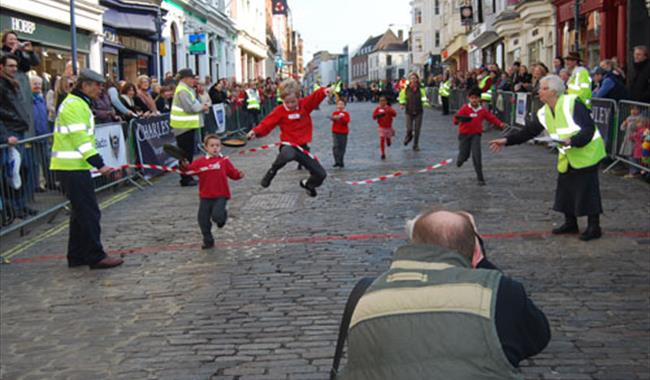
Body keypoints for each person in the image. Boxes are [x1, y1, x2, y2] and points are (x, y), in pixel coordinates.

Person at [337, 208, 550, 380]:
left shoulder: (366, 296)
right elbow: (538, 336)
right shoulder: (498, 293)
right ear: (475, 251)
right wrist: (483, 263)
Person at [489, 75, 606, 241]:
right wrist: (506, 141)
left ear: (554, 92)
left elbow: (588, 129)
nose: (539, 91)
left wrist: (573, 141)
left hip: (587, 152)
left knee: (588, 190)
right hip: (568, 154)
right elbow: (529, 131)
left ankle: (594, 227)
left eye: (543, 88)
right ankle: (570, 223)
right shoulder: (543, 112)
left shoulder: (573, 103)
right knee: (566, 189)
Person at [50, 69, 123, 269]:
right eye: (97, 85)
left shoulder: (79, 103)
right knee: (89, 213)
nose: (100, 89)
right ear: (85, 85)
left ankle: (76, 255)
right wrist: (100, 164)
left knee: (79, 213)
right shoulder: (74, 105)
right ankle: (95, 255)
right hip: (71, 167)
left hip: (74, 166)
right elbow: (80, 140)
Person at [246, 78, 330, 197]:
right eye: (287, 102)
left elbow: (314, 97)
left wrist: (324, 91)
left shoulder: (304, 105)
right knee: (287, 154)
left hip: (302, 148)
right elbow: (267, 123)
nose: (290, 105)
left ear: (298, 97)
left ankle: (307, 184)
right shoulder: (280, 111)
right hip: (288, 145)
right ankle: (272, 171)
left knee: (321, 174)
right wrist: (255, 132)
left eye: (293, 102)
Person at [182, 134, 243, 249]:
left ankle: (222, 218)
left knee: (217, 216)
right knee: (203, 219)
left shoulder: (224, 160)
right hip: (205, 196)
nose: (215, 148)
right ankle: (208, 240)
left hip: (221, 194)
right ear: (206, 147)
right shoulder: (200, 162)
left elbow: (232, 172)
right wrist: (184, 166)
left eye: (217, 145)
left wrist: (238, 175)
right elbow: (189, 171)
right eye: (212, 146)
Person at [0, 54, 37, 218]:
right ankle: (12, 207)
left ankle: (20, 205)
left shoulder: (12, 83)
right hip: (10, 134)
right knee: (11, 172)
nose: (14, 69)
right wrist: (5, 136)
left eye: (15, 66)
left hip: (18, 131)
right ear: (1, 67)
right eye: (10, 66)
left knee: (22, 170)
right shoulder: (2, 85)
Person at [453, 87, 506, 186]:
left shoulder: (482, 110)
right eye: (472, 98)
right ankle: (461, 159)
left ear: (479, 99)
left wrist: (500, 124)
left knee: (477, 155)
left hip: (476, 135)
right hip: (464, 135)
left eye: (476, 98)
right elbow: (455, 120)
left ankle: (480, 178)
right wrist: (459, 119)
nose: (474, 100)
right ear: (469, 98)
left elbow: (491, 118)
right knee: (464, 154)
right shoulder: (465, 108)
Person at [170, 68, 209, 187]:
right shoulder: (182, 90)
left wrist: (201, 105)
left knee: (188, 153)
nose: (194, 80)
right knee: (185, 154)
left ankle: (188, 175)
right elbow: (190, 107)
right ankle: (185, 178)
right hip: (183, 127)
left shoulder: (187, 89)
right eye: (192, 78)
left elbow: (194, 104)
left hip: (187, 126)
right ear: (185, 78)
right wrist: (202, 107)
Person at [2, 31, 40, 136]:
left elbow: (36, 62)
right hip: (10, 83)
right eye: (10, 39)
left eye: (15, 39)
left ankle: (28, 135)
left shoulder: (21, 53)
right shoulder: (3, 53)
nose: (13, 41)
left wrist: (30, 51)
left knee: (26, 108)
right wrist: (13, 50)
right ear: (4, 41)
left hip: (23, 83)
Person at [399, 72, 429, 151]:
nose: (413, 80)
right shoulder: (406, 88)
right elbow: (402, 97)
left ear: (417, 79)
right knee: (409, 128)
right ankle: (408, 137)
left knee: (417, 129)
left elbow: (424, 98)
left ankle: (415, 145)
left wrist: (425, 103)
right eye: (412, 78)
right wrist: (402, 104)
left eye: (415, 78)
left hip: (419, 111)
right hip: (409, 111)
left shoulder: (421, 88)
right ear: (409, 79)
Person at [619, 106, 643, 178]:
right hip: (627, 139)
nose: (633, 111)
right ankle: (632, 170)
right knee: (628, 155)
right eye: (632, 109)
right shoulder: (629, 118)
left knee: (633, 155)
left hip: (635, 140)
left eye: (636, 109)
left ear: (639, 110)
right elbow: (622, 129)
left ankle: (634, 172)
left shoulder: (640, 119)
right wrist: (624, 124)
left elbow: (638, 129)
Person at [372, 96, 397, 160]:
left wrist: (390, 111)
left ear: (386, 102)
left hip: (388, 127)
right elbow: (373, 117)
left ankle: (388, 140)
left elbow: (395, 114)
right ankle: (383, 153)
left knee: (388, 139)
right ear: (379, 102)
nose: (382, 102)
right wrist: (378, 115)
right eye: (380, 101)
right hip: (381, 127)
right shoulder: (377, 109)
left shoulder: (389, 108)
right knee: (382, 139)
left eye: (383, 101)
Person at [330, 99, 350, 168]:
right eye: (339, 104)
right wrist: (335, 118)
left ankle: (341, 161)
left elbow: (346, 121)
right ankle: (337, 161)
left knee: (342, 147)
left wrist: (341, 118)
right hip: (335, 132)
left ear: (344, 106)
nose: (340, 106)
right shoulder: (335, 113)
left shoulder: (346, 114)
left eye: (342, 104)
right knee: (336, 146)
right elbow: (333, 118)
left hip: (344, 132)